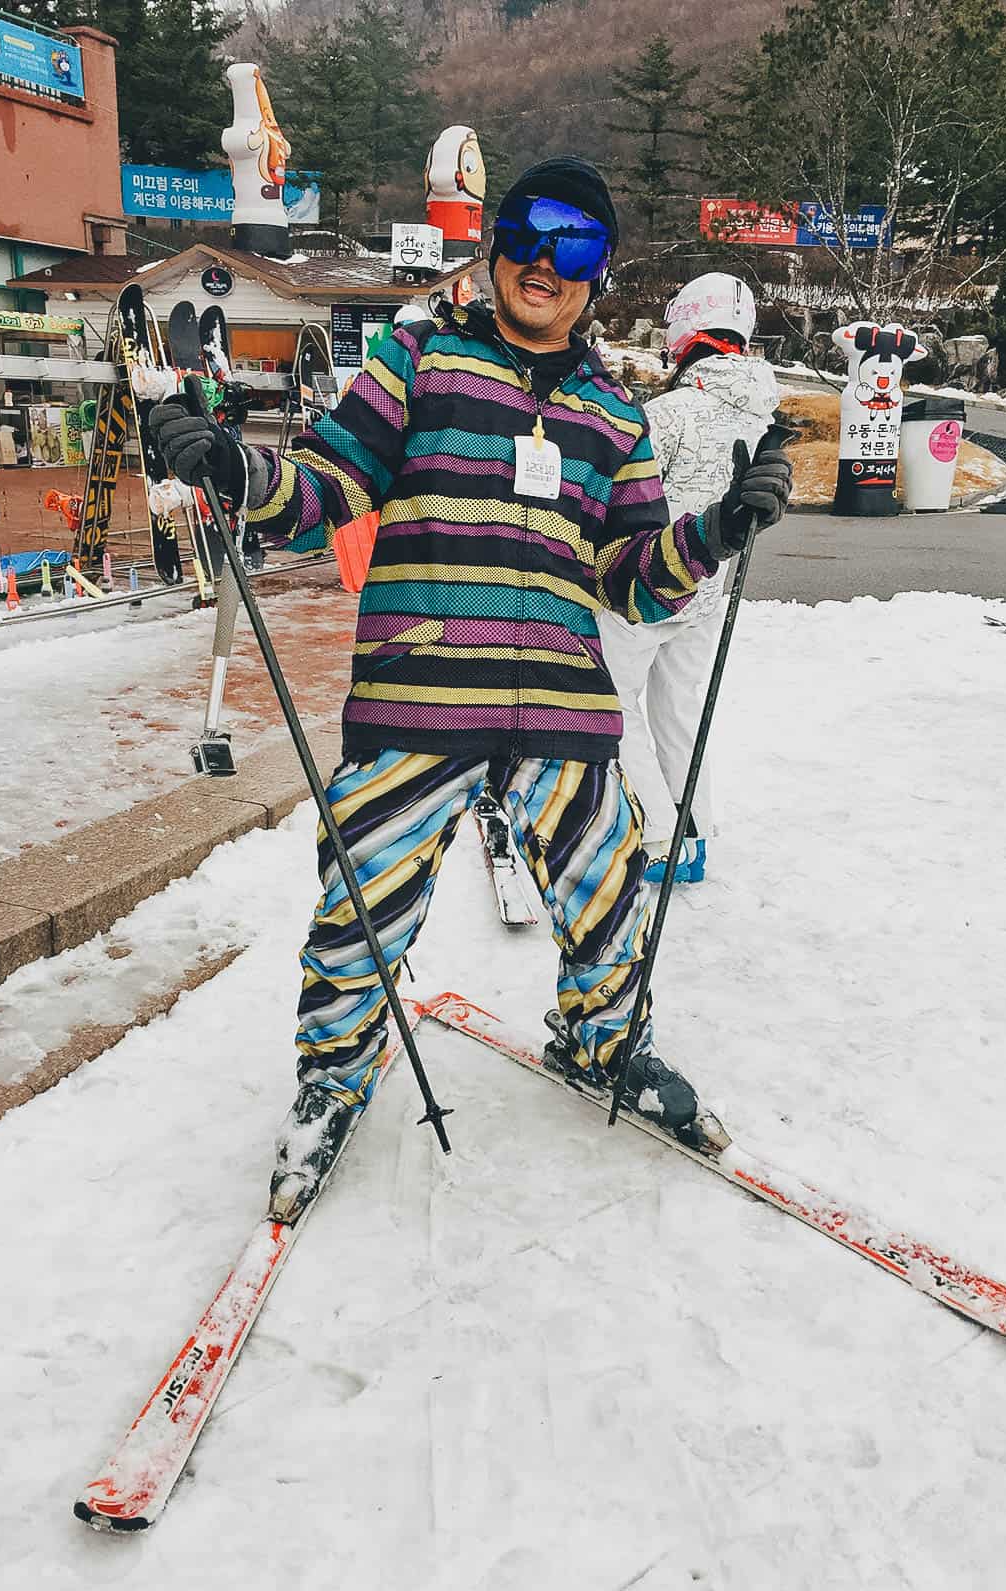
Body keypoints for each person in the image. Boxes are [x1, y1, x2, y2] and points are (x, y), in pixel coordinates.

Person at [150, 159, 792, 1212]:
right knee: (364, 905)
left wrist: (716, 531)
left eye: (577, 244)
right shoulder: (418, 360)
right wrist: (233, 468)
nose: (547, 262)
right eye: (532, 233)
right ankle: (332, 1080)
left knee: (609, 895)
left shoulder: (613, 415)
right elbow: (324, 491)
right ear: (496, 242)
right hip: (419, 694)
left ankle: (604, 1043)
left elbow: (632, 578)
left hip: (564, 709)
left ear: (601, 274)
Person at [599, 274, 779, 885]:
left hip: (648, 585)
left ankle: (654, 834)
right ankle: (693, 832)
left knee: (613, 702)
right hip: (711, 588)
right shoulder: (760, 416)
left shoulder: (666, 414)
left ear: (684, 331)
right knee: (679, 708)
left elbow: (617, 495)